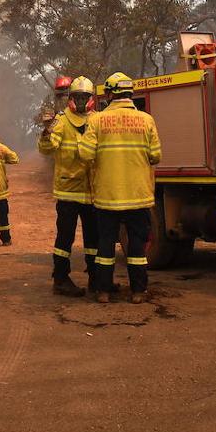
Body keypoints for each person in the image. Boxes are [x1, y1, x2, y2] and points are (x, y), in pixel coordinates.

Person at [79, 72, 162, 304]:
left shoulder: (96, 120)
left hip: (108, 196)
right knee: (136, 244)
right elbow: (156, 156)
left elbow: (85, 154)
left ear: (108, 93)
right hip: (138, 196)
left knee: (105, 244)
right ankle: (138, 292)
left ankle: (103, 292)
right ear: (130, 93)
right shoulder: (147, 120)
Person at [38, 76, 97, 297]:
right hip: (68, 191)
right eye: (77, 97)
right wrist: (46, 132)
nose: (81, 101)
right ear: (70, 98)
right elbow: (47, 148)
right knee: (65, 238)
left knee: (94, 239)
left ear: (91, 98)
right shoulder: (61, 121)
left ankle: (96, 278)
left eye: (84, 97)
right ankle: (61, 279)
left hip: (91, 191)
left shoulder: (97, 120)